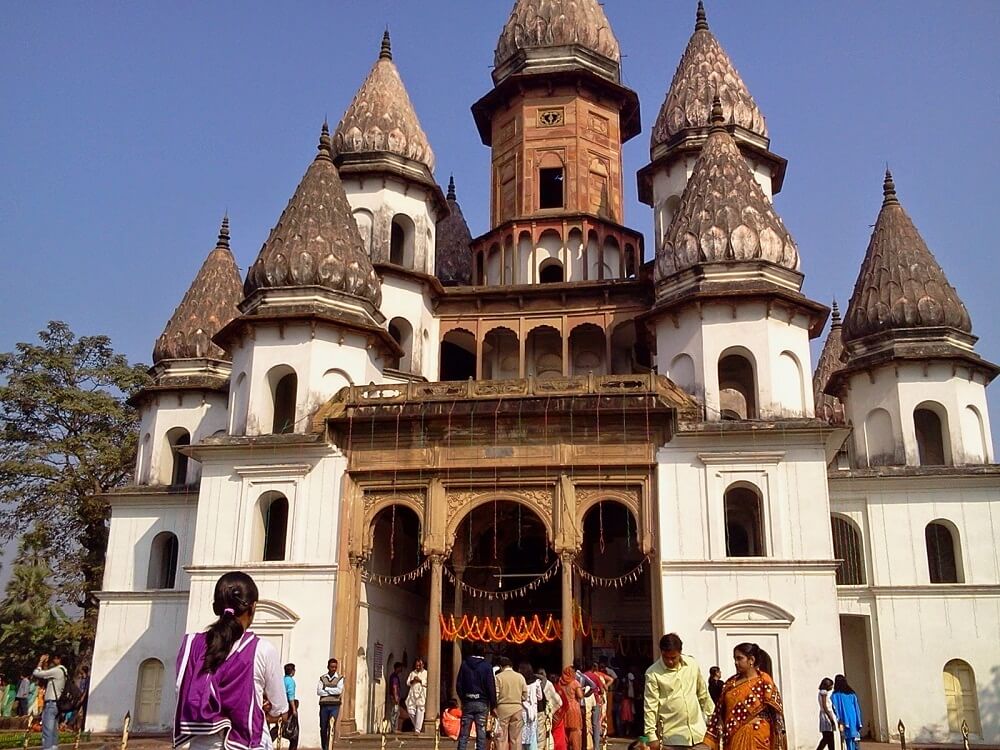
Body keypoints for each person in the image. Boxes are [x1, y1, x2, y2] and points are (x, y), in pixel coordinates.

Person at [173, 571, 288, 750]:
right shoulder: (261, 649)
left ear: (215, 607)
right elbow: (280, 710)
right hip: (247, 744)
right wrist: (257, 706)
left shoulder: (191, 645)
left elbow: (186, 694)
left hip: (202, 744)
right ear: (253, 607)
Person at [703, 642, 785, 750]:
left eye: (739, 658)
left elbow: (776, 716)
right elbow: (719, 713)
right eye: (734, 659)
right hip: (733, 738)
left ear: (751, 660)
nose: (736, 662)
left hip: (759, 738)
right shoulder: (729, 684)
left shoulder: (764, 682)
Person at [643, 634, 714, 750]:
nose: (670, 661)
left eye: (673, 658)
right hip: (672, 738)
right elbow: (650, 706)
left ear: (680, 652)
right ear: (661, 652)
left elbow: (703, 695)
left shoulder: (692, 665)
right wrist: (651, 735)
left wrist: (713, 719)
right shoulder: (653, 673)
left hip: (699, 735)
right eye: (666, 658)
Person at [456, 644, 496, 750]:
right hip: (482, 702)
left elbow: (459, 684)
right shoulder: (487, 666)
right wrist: (493, 705)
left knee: (464, 734)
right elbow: (490, 686)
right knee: (481, 733)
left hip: (468, 701)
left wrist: (463, 698)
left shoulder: (464, 664)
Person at [32, 653, 67, 750]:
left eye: (54, 658)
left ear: (58, 659)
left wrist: (41, 662)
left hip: (51, 703)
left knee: (47, 730)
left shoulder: (57, 671)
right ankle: (53, 748)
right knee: (53, 731)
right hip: (57, 704)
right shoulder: (64, 671)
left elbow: (37, 673)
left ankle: (47, 748)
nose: (53, 660)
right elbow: (47, 674)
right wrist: (45, 665)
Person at [495, 656, 528, 750]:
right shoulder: (520, 677)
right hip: (517, 708)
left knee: (501, 738)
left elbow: (496, 695)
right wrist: (518, 699)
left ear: (501, 667)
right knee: (516, 738)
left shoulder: (498, 677)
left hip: (502, 709)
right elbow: (525, 695)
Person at [317, 658, 344, 750]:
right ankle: (324, 746)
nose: (333, 669)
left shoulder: (340, 678)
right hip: (324, 705)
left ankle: (330, 746)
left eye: (335, 667)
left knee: (331, 726)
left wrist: (327, 689)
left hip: (334, 705)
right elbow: (319, 691)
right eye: (332, 667)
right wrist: (332, 691)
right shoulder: (322, 678)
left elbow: (339, 691)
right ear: (328, 667)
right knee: (323, 727)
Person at [554, 667, 584, 750]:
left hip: (564, 708)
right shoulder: (575, 683)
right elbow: (580, 695)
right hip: (574, 709)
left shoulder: (560, 681)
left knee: (565, 732)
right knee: (575, 732)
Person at [831, 675, 863, 750]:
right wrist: (858, 720)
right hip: (853, 718)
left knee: (848, 741)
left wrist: (838, 720)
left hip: (844, 719)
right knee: (855, 739)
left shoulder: (835, 695)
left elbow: (835, 708)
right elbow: (857, 707)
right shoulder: (852, 694)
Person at [536, 669, 562, 750]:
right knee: (545, 738)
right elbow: (558, 702)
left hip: (533, 714)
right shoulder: (548, 684)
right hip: (544, 713)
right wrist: (551, 712)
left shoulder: (530, 683)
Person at [521, 663, 542, 750]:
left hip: (523, 711)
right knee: (532, 736)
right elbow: (540, 697)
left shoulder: (521, 682)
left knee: (522, 735)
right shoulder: (536, 683)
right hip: (533, 712)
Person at [405, 657, 428, 733]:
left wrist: (420, 680)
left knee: (420, 711)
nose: (418, 667)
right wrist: (413, 680)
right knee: (410, 710)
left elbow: (428, 683)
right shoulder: (412, 673)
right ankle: (417, 726)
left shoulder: (426, 673)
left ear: (423, 665)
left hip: (421, 695)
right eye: (417, 665)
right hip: (412, 695)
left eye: (419, 665)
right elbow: (408, 683)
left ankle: (417, 729)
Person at [816, 678, 837, 750]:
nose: (832, 687)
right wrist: (831, 719)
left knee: (827, 738)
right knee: (828, 737)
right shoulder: (824, 692)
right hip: (826, 716)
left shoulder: (821, 692)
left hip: (824, 715)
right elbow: (825, 706)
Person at [282, 664, 298, 750]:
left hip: (282, 704)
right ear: (292, 672)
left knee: (280, 726)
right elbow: (291, 696)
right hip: (289, 706)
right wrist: (294, 709)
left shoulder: (282, 680)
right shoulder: (290, 681)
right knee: (294, 731)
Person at [618, 667, 636, 737]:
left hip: (627, 700)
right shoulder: (628, 681)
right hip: (627, 700)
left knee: (627, 717)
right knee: (628, 717)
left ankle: (626, 732)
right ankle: (627, 732)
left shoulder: (625, 681)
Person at [388, 662, 404, 733]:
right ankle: (394, 728)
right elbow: (394, 687)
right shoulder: (394, 677)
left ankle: (394, 728)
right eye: (400, 667)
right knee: (395, 712)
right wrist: (396, 696)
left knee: (395, 712)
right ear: (397, 668)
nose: (401, 669)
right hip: (394, 697)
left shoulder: (394, 676)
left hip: (394, 696)